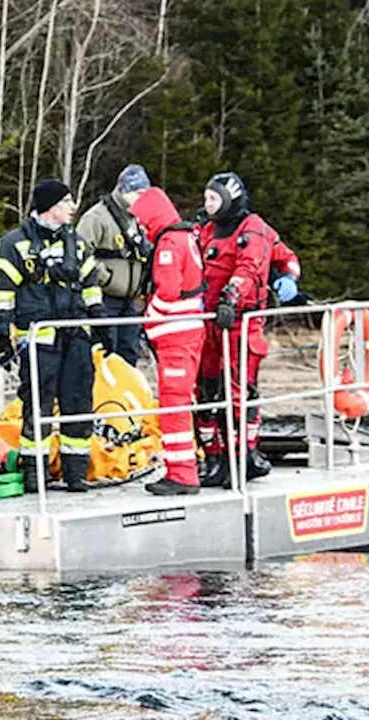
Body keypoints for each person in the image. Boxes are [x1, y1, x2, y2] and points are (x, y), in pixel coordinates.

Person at [0, 180, 112, 494]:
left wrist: (100, 322)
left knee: (79, 403)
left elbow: (90, 285)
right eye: (66, 202)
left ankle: (75, 473)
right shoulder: (15, 244)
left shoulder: (77, 243)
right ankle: (35, 473)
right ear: (50, 206)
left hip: (76, 337)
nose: (72, 207)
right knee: (37, 407)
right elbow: (1, 292)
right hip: (39, 340)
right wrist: (3, 336)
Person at [195, 172, 278, 487]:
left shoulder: (252, 228)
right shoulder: (204, 230)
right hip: (209, 322)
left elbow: (249, 266)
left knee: (240, 390)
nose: (207, 205)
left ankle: (242, 456)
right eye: (206, 199)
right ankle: (214, 457)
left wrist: (231, 296)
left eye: (213, 199)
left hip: (239, 320)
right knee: (206, 391)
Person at [124, 184, 206, 495]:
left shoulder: (170, 243)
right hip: (187, 334)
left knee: (173, 405)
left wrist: (147, 318)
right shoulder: (187, 237)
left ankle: (182, 474)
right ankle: (183, 468)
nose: (143, 229)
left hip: (176, 337)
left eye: (144, 222)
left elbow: (168, 292)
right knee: (181, 403)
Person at [75, 164, 153, 366]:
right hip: (104, 299)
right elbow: (80, 253)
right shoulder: (96, 217)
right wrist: (105, 277)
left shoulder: (138, 219)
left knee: (129, 355)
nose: (142, 198)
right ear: (123, 190)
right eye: (137, 193)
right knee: (104, 353)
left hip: (131, 301)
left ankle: (125, 396)